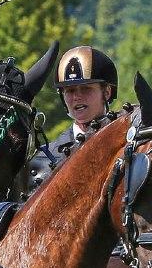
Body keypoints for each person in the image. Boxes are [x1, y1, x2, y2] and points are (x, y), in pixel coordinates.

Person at [27, 46, 121, 191]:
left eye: (86, 88)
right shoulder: (45, 157)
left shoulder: (125, 144)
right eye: (70, 91)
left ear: (107, 92)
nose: (77, 97)